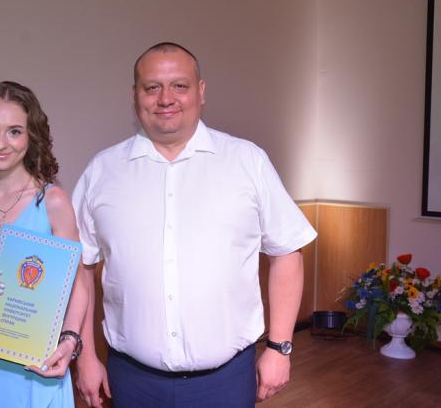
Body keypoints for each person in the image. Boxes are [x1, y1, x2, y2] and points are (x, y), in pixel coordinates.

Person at [72, 42, 317, 408]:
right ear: (135, 95)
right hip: (132, 381)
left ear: (201, 91)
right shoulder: (102, 171)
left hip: (225, 382)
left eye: (179, 86)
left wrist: (280, 348)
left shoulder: (247, 161)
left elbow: (287, 253)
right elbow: (79, 265)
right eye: (152, 87)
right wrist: (86, 356)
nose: (165, 98)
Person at [0, 81, 88, 408]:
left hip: (35, 365)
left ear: (31, 136)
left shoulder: (52, 201)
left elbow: (79, 281)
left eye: (14, 131)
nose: (1, 143)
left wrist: (69, 342)